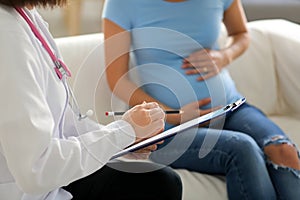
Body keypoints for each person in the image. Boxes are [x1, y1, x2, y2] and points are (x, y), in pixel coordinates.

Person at [102, 0, 300, 199]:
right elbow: (117, 80)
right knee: (242, 148)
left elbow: (242, 33)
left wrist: (225, 56)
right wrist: (174, 115)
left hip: (230, 108)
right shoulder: (122, 3)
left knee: (284, 150)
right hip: (168, 129)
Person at [0, 0, 183, 200]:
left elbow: (65, 125)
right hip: (35, 190)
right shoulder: (8, 37)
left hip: (55, 178)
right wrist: (122, 133)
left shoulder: (27, 17)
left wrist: (126, 139)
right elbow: (36, 169)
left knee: (160, 182)